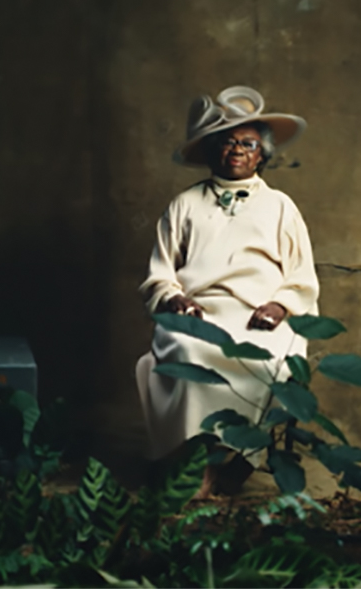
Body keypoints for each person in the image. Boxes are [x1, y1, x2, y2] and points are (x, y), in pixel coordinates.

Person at [134, 86, 320, 496]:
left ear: (261, 155)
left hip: (259, 315)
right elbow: (158, 274)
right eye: (227, 142)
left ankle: (239, 460)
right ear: (211, 150)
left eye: (247, 143)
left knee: (273, 361)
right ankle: (193, 462)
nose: (236, 150)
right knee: (186, 352)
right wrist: (174, 298)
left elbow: (302, 276)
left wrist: (279, 305)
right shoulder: (184, 204)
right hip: (198, 313)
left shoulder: (281, 207)